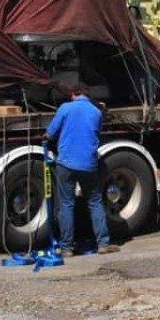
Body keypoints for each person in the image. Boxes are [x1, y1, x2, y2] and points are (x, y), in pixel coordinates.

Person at [44, 86, 115, 254]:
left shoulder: (66, 108)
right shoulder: (96, 112)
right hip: (88, 164)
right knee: (95, 202)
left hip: (66, 164)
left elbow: (51, 132)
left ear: (73, 94)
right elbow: (97, 131)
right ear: (87, 95)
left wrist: (46, 138)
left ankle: (66, 247)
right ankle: (103, 244)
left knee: (66, 204)